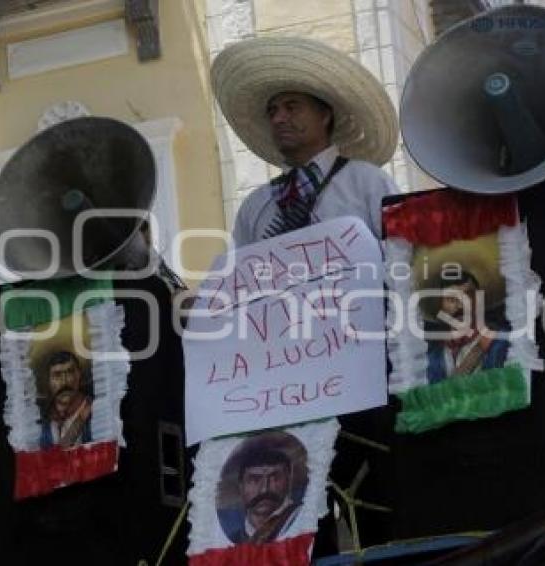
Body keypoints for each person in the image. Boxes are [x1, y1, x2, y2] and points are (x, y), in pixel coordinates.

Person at [210, 36, 400, 246]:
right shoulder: (256, 206)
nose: (278, 118)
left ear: (325, 115)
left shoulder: (368, 183)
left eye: (292, 107)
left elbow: (401, 257)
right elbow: (241, 272)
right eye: (273, 111)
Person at [426, 271, 510, 383]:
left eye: (467, 296)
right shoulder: (433, 356)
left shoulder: (500, 341)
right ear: (441, 304)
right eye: (451, 299)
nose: (460, 306)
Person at [220, 448, 302, 544]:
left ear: (289, 480)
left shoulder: (301, 519)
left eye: (274, 478)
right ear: (241, 486)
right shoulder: (231, 542)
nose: (264, 489)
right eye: (255, 480)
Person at [39, 350, 93, 448]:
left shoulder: (96, 413)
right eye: (57, 375)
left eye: (70, 372)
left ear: (79, 374)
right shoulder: (42, 420)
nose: (64, 381)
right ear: (48, 381)